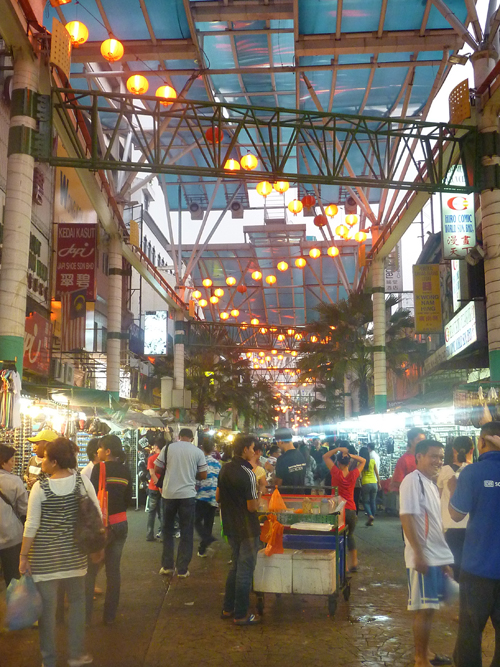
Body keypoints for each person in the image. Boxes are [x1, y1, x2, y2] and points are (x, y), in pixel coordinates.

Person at [19, 437, 100, 667]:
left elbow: (31, 524)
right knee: (77, 604)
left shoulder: (40, 487)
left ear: (54, 461)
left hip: (45, 559)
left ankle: (49, 660)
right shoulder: (82, 482)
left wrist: (24, 556)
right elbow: (96, 516)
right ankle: (75, 655)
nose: (42, 461)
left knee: (47, 611)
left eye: (45, 457)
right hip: (75, 556)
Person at [449, 421, 500, 667]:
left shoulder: (472, 473)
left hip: (477, 569)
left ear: (481, 442)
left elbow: (457, 514)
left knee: (470, 634)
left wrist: (452, 490)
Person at [399, 439, 453, 667]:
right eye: (433, 456)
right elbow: (407, 517)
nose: (438, 461)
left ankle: (426, 652)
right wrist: (419, 553)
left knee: (431, 608)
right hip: (424, 557)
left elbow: (434, 522)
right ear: (418, 457)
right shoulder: (412, 481)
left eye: (441, 457)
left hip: (435, 556)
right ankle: (420, 659)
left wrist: (443, 559)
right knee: (423, 609)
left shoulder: (430, 483)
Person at [86, 435, 132, 625]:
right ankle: (109, 616)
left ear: (108, 451)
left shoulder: (99, 468)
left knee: (90, 571)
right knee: (113, 571)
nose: (97, 451)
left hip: (103, 526)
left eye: (100, 448)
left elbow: (94, 498)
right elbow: (128, 499)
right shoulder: (125, 470)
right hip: (121, 523)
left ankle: (86, 616)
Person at [217, 434, 261, 625]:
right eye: (252, 448)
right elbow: (252, 507)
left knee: (235, 567)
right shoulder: (249, 473)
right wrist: (259, 496)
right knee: (245, 570)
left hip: (230, 526)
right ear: (245, 450)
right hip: (247, 529)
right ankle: (241, 614)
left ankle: (228, 608)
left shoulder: (224, 468)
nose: (253, 451)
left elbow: (218, 497)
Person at [155, 428, 207, 578]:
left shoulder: (169, 447)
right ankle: (182, 569)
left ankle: (167, 566)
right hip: (187, 495)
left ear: (179, 436)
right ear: (192, 438)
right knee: (186, 531)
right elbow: (203, 474)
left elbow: (157, 468)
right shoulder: (197, 452)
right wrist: (190, 472)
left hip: (169, 494)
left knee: (167, 530)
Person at [323, 442, 365, 572]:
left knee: (338, 537)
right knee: (350, 536)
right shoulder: (353, 475)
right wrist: (351, 455)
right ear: (348, 463)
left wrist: (337, 449)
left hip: (337, 509)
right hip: (351, 509)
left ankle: (344, 566)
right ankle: (354, 562)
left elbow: (325, 457)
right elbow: (363, 460)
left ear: (339, 463)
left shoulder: (336, 473)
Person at [436, 436, 473, 580]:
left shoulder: (444, 471)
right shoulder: (473, 470)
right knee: (467, 561)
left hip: (449, 524)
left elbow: (438, 499)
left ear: (453, 450)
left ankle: (456, 591)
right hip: (470, 523)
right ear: (472, 449)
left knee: (453, 561)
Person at [0, 444, 28, 586]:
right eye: (11, 460)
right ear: (3, 461)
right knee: (13, 579)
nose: (14, 463)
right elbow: (24, 508)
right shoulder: (14, 481)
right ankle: (13, 606)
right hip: (11, 537)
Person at [194, 439, 221, 557]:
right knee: (208, 523)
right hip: (214, 496)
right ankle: (203, 548)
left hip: (202, 495)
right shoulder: (217, 463)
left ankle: (206, 538)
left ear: (202, 448)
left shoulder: (199, 462)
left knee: (195, 520)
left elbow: (196, 479)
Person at [390, 427, 426, 493]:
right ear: (411, 441)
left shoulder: (425, 458)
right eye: (419, 440)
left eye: (423, 440)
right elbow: (397, 482)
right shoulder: (404, 460)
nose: (422, 443)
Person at [274, 427, 306, 493]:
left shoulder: (282, 460)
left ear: (280, 441)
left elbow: (278, 485)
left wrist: (271, 473)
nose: (278, 446)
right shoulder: (301, 455)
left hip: (287, 498)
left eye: (277, 443)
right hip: (300, 497)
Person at [359, 445, 381, 526]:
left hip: (365, 483)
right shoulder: (372, 461)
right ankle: (372, 520)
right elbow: (377, 473)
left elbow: (360, 476)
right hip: (374, 483)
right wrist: (378, 482)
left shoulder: (361, 462)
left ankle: (370, 515)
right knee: (373, 501)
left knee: (365, 502)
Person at [146, 442, 162, 542]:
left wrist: (157, 484)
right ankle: (163, 535)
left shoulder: (151, 458)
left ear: (156, 447)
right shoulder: (167, 458)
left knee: (151, 513)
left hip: (153, 488)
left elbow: (152, 473)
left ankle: (149, 535)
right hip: (165, 488)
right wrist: (161, 486)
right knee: (163, 513)